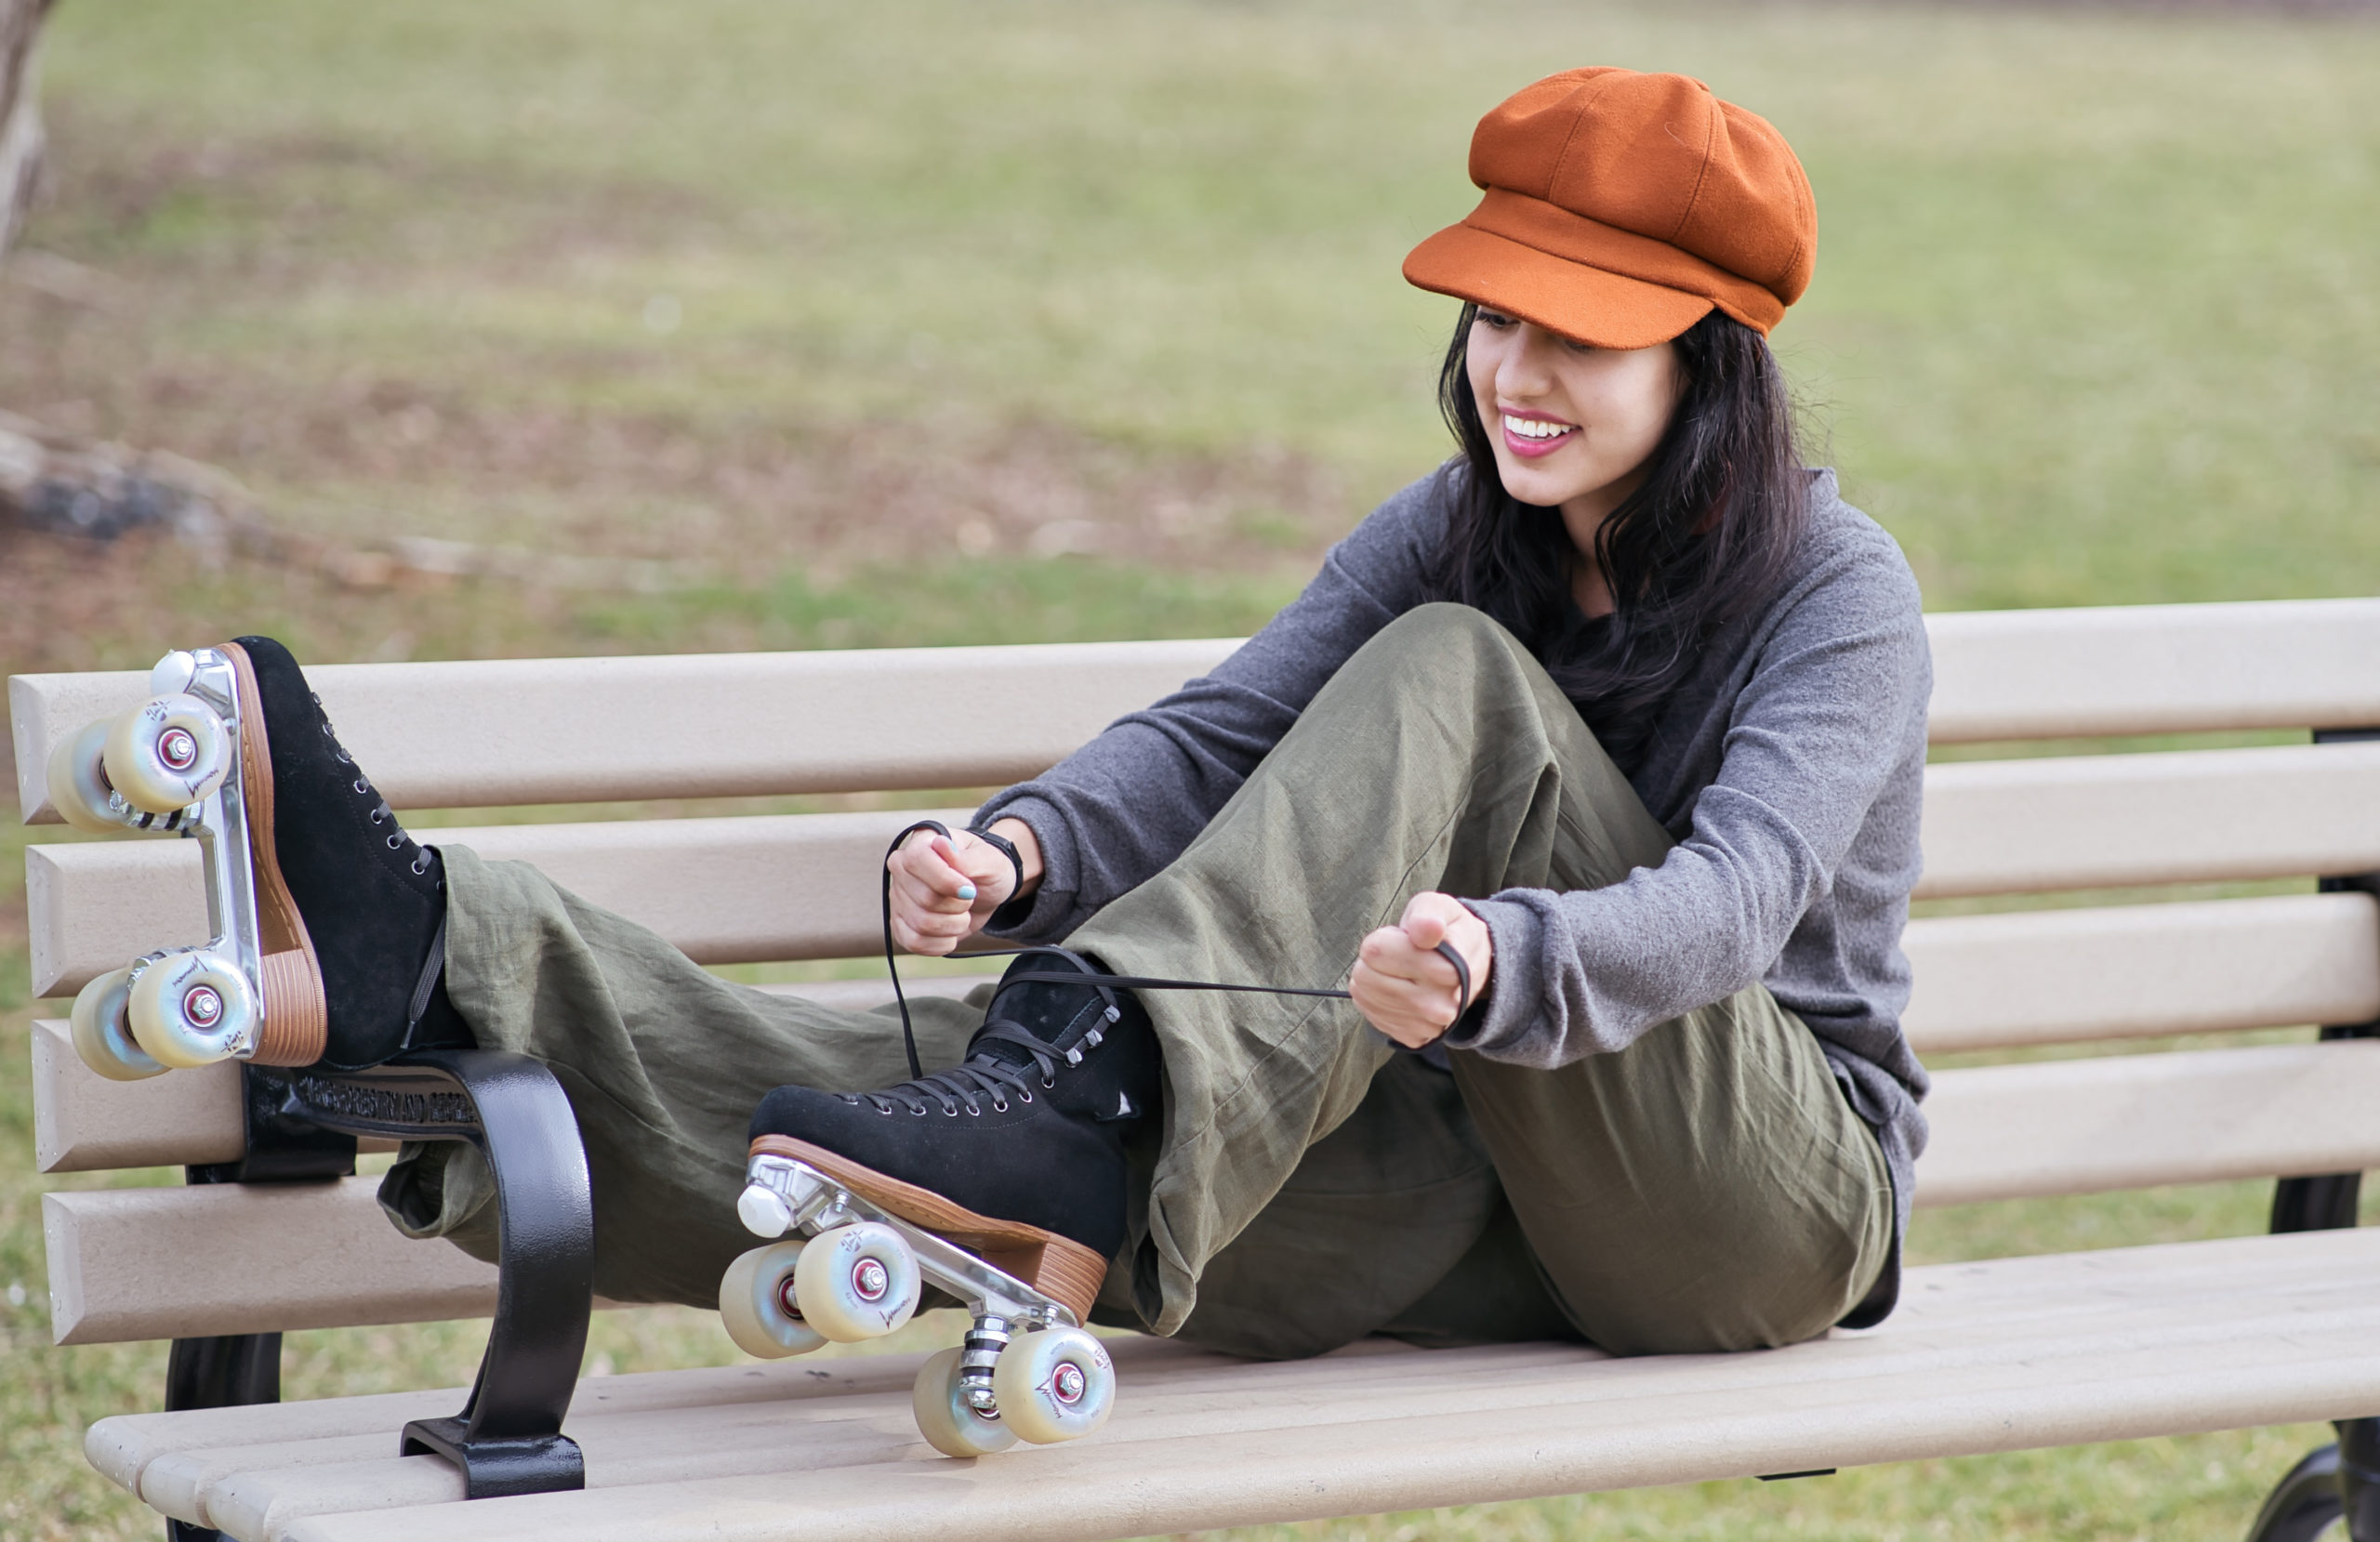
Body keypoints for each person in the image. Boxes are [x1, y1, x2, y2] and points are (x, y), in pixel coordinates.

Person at [219, 65, 1930, 1362]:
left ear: (1708, 359)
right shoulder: (1461, 520)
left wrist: (1505, 964)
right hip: (1473, 1193)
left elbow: (1736, 906)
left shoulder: (1836, 593)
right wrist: (1022, 847)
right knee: (868, 1121)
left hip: (1754, 1208)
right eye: (1493, 315)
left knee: (1456, 681)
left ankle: (1079, 1089)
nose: (1512, 376)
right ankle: (442, 975)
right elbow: (1221, 733)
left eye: (1580, 337)